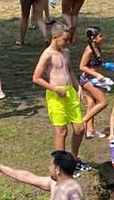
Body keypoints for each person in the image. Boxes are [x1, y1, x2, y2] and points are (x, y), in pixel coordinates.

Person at [34, 24, 84, 155]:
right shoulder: (47, 55)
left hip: (70, 92)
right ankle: (61, 164)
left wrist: (78, 87)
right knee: (62, 131)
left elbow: (70, 71)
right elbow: (36, 78)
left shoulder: (65, 52)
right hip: (56, 95)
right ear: (55, 37)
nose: (67, 43)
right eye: (65, 40)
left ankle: (74, 157)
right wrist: (55, 89)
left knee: (80, 128)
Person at [76, 27, 111, 142]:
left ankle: (89, 131)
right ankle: (83, 121)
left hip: (93, 79)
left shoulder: (96, 47)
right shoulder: (89, 50)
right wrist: (96, 75)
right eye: (100, 36)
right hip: (88, 79)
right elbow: (82, 66)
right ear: (93, 38)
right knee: (103, 102)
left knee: (92, 103)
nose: (102, 38)